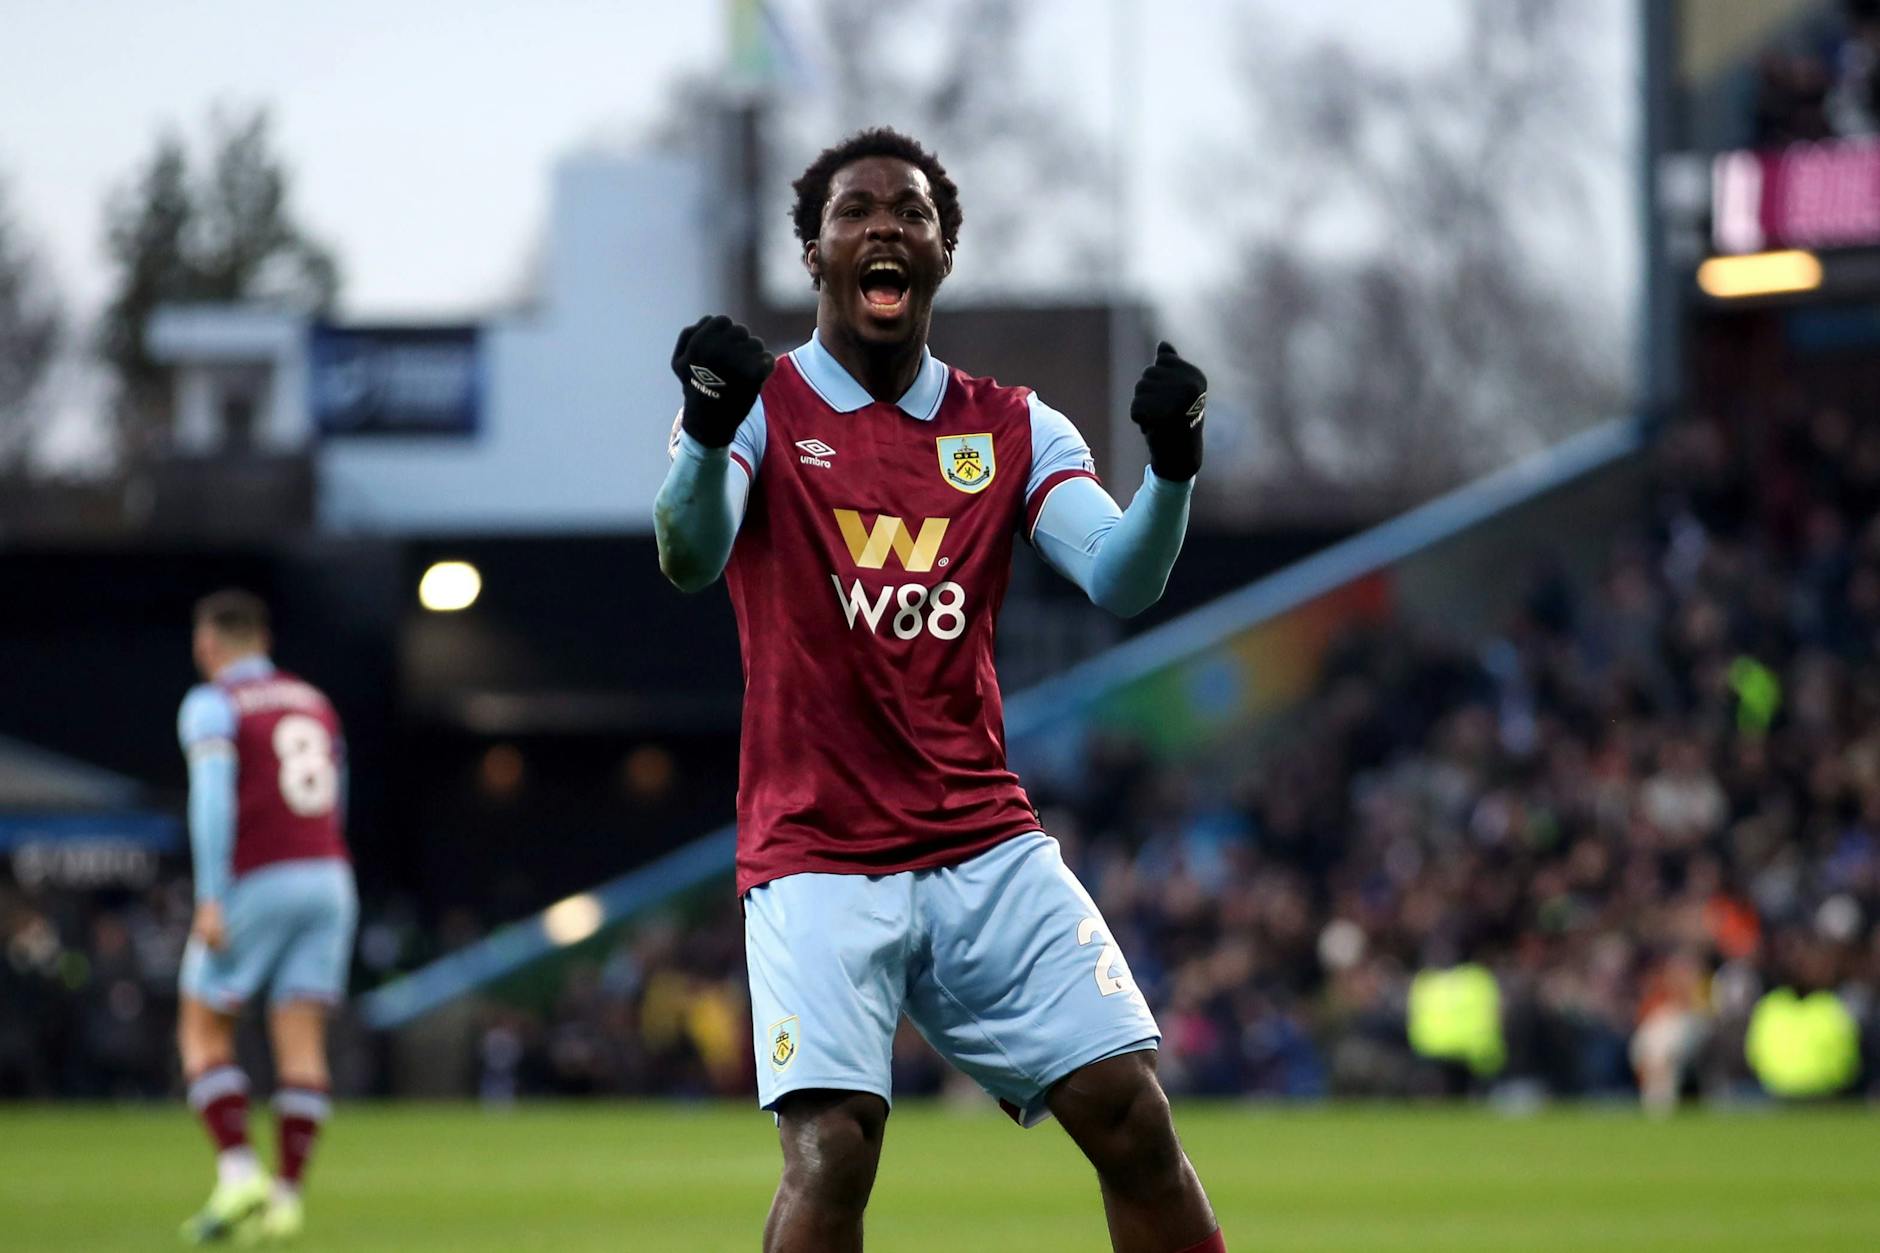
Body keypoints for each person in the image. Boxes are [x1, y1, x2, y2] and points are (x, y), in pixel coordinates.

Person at [655, 127, 1225, 1253]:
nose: (885, 227)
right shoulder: (757, 404)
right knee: (834, 1149)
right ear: (813, 253)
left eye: (911, 213)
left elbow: (1121, 575)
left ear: (943, 252)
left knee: (1132, 1117)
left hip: (981, 840)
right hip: (818, 848)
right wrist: (705, 435)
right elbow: (689, 552)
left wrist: (1170, 471)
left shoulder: (1011, 425)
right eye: (855, 212)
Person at [174, 590, 355, 1244]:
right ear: (264, 639)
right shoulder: (315, 701)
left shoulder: (213, 703)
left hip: (258, 875)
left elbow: (213, 799)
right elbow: (338, 800)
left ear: (207, 644)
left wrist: (211, 895)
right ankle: (287, 1198)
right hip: (330, 875)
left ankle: (239, 1170)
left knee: (202, 1027)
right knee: (301, 1041)